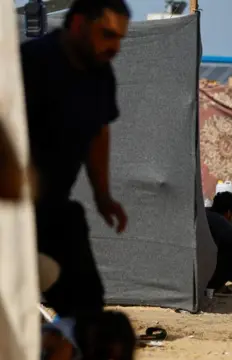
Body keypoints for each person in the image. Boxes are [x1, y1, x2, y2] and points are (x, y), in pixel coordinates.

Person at [20, 0, 130, 337]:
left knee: (87, 306)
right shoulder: (30, 64)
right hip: (10, 207)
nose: (114, 47)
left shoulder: (100, 74)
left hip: (52, 207)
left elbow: (99, 131)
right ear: (80, 24)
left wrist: (102, 194)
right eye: (107, 34)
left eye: (119, 39)